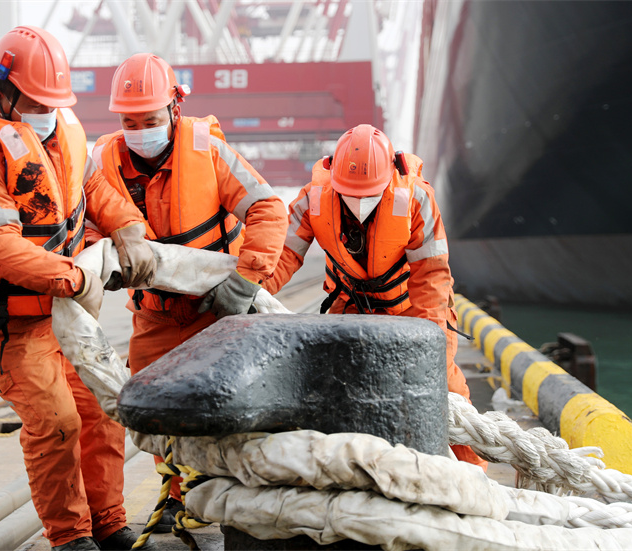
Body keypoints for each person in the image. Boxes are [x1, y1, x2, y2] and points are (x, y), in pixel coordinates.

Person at [0, 26, 157, 551]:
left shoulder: (62, 126)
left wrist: (125, 225)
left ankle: (109, 522)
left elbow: (90, 186)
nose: (45, 110)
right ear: (0, 88)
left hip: (61, 308)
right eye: (35, 102)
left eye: (52, 102)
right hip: (4, 321)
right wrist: (76, 278)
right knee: (57, 421)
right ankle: (70, 537)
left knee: (103, 406)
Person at [89, 52, 288, 531]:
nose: (139, 130)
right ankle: (178, 498)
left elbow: (267, 209)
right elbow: (85, 226)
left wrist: (245, 281)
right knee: (157, 414)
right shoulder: (101, 160)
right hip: (153, 317)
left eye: (150, 120)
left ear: (175, 108)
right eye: (129, 120)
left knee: (228, 411)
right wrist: (106, 260)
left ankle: (231, 503)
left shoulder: (209, 153)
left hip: (214, 313)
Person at [263, 124, 487, 470]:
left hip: (412, 308)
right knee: (342, 392)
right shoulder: (313, 198)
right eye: (351, 195)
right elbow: (281, 257)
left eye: (370, 195)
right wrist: (250, 291)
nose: (360, 203)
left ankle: (474, 477)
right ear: (334, 178)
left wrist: (426, 344)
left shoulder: (416, 199)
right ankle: (361, 473)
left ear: (389, 178)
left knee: (445, 390)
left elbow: (432, 276)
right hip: (350, 308)